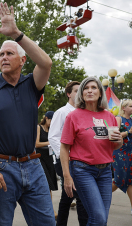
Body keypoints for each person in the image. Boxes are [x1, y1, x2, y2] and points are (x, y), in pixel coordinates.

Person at [0, 2, 54, 226]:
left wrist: (16, 34)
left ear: (23, 60)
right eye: (0, 54)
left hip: (33, 166)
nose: (4, 57)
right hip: (1, 168)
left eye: (9, 53)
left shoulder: (31, 84)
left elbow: (46, 63)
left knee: (47, 223)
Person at [60, 77, 123, 226]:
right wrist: (67, 176)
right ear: (81, 94)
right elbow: (64, 148)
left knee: (102, 219)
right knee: (98, 218)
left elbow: (114, 145)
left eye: (94, 87)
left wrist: (119, 140)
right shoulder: (73, 116)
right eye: (86, 88)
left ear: (100, 93)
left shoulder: (109, 116)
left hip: (106, 171)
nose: (89, 90)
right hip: (82, 171)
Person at [48, 81, 89, 226]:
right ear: (68, 94)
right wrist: (66, 155)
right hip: (66, 161)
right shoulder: (61, 112)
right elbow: (53, 137)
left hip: (82, 160)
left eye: (81, 90)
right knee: (80, 195)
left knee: (67, 197)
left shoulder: (85, 112)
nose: (79, 93)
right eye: (76, 90)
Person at [112, 99, 132, 216]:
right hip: (119, 152)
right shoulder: (118, 119)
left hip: (129, 152)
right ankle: (99, 197)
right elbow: (113, 135)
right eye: (130, 106)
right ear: (124, 108)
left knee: (130, 180)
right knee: (119, 180)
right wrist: (128, 132)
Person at [36, 111, 59, 218]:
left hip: (49, 158)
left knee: (49, 183)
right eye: (51, 120)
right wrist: (49, 142)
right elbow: (36, 144)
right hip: (40, 159)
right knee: (47, 184)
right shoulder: (38, 127)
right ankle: (51, 210)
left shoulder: (51, 130)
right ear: (46, 118)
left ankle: (45, 208)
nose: (53, 123)